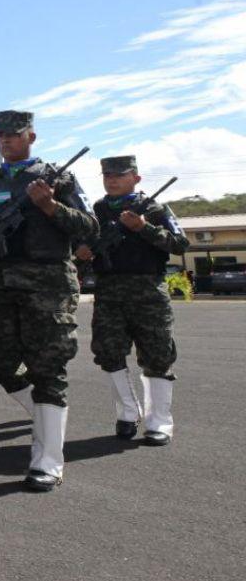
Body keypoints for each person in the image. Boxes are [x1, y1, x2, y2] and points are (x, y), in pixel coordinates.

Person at [0, 110, 98, 492]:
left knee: (48, 369)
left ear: (31, 135)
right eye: (0, 135)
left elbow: (90, 227)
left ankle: (47, 460)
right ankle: (43, 415)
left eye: (13, 134)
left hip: (46, 283)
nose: (5, 140)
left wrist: (50, 207)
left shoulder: (58, 178)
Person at [76, 155, 189, 446]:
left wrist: (144, 227)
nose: (112, 179)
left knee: (157, 354)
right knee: (108, 352)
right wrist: (84, 252)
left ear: (136, 178)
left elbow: (180, 243)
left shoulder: (154, 208)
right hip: (109, 290)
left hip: (148, 290)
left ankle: (159, 422)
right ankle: (127, 412)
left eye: (120, 174)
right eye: (107, 175)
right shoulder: (96, 210)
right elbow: (81, 242)